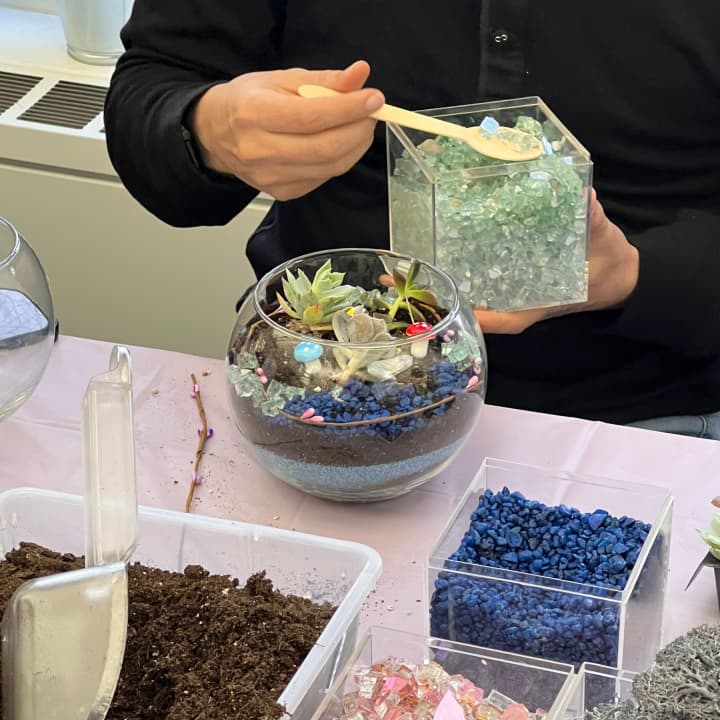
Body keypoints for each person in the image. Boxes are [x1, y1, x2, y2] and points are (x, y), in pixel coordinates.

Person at [104, 2, 720, 438]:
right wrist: (209, 130)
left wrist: (634, 274)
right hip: (314, 394)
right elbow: (152, 92)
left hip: (644, 419)